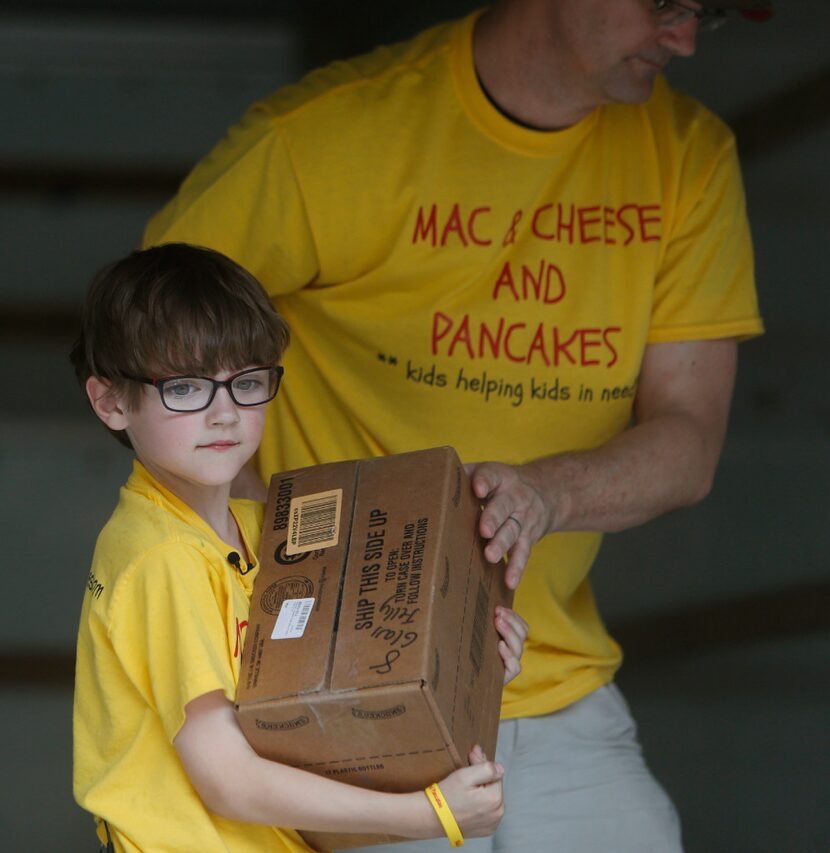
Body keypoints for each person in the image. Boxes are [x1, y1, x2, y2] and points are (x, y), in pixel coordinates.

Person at [142, 1, 768, 849]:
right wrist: (262, 558)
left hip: (553, 676)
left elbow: (689, 441)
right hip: (352, 691)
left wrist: (546, 495)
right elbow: (145, 350)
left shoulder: (688, 156)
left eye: (706, 12)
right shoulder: (321, 141)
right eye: (664, 3)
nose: (685, 38)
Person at [70, 243, 529, 852]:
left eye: (246, 382)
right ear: (111, 402)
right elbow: (228, 781)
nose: (224, 414)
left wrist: (472, 661)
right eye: (185, 388)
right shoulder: (162, 556)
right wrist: (430, 815)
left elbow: (335, 710)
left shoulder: (266, 533)